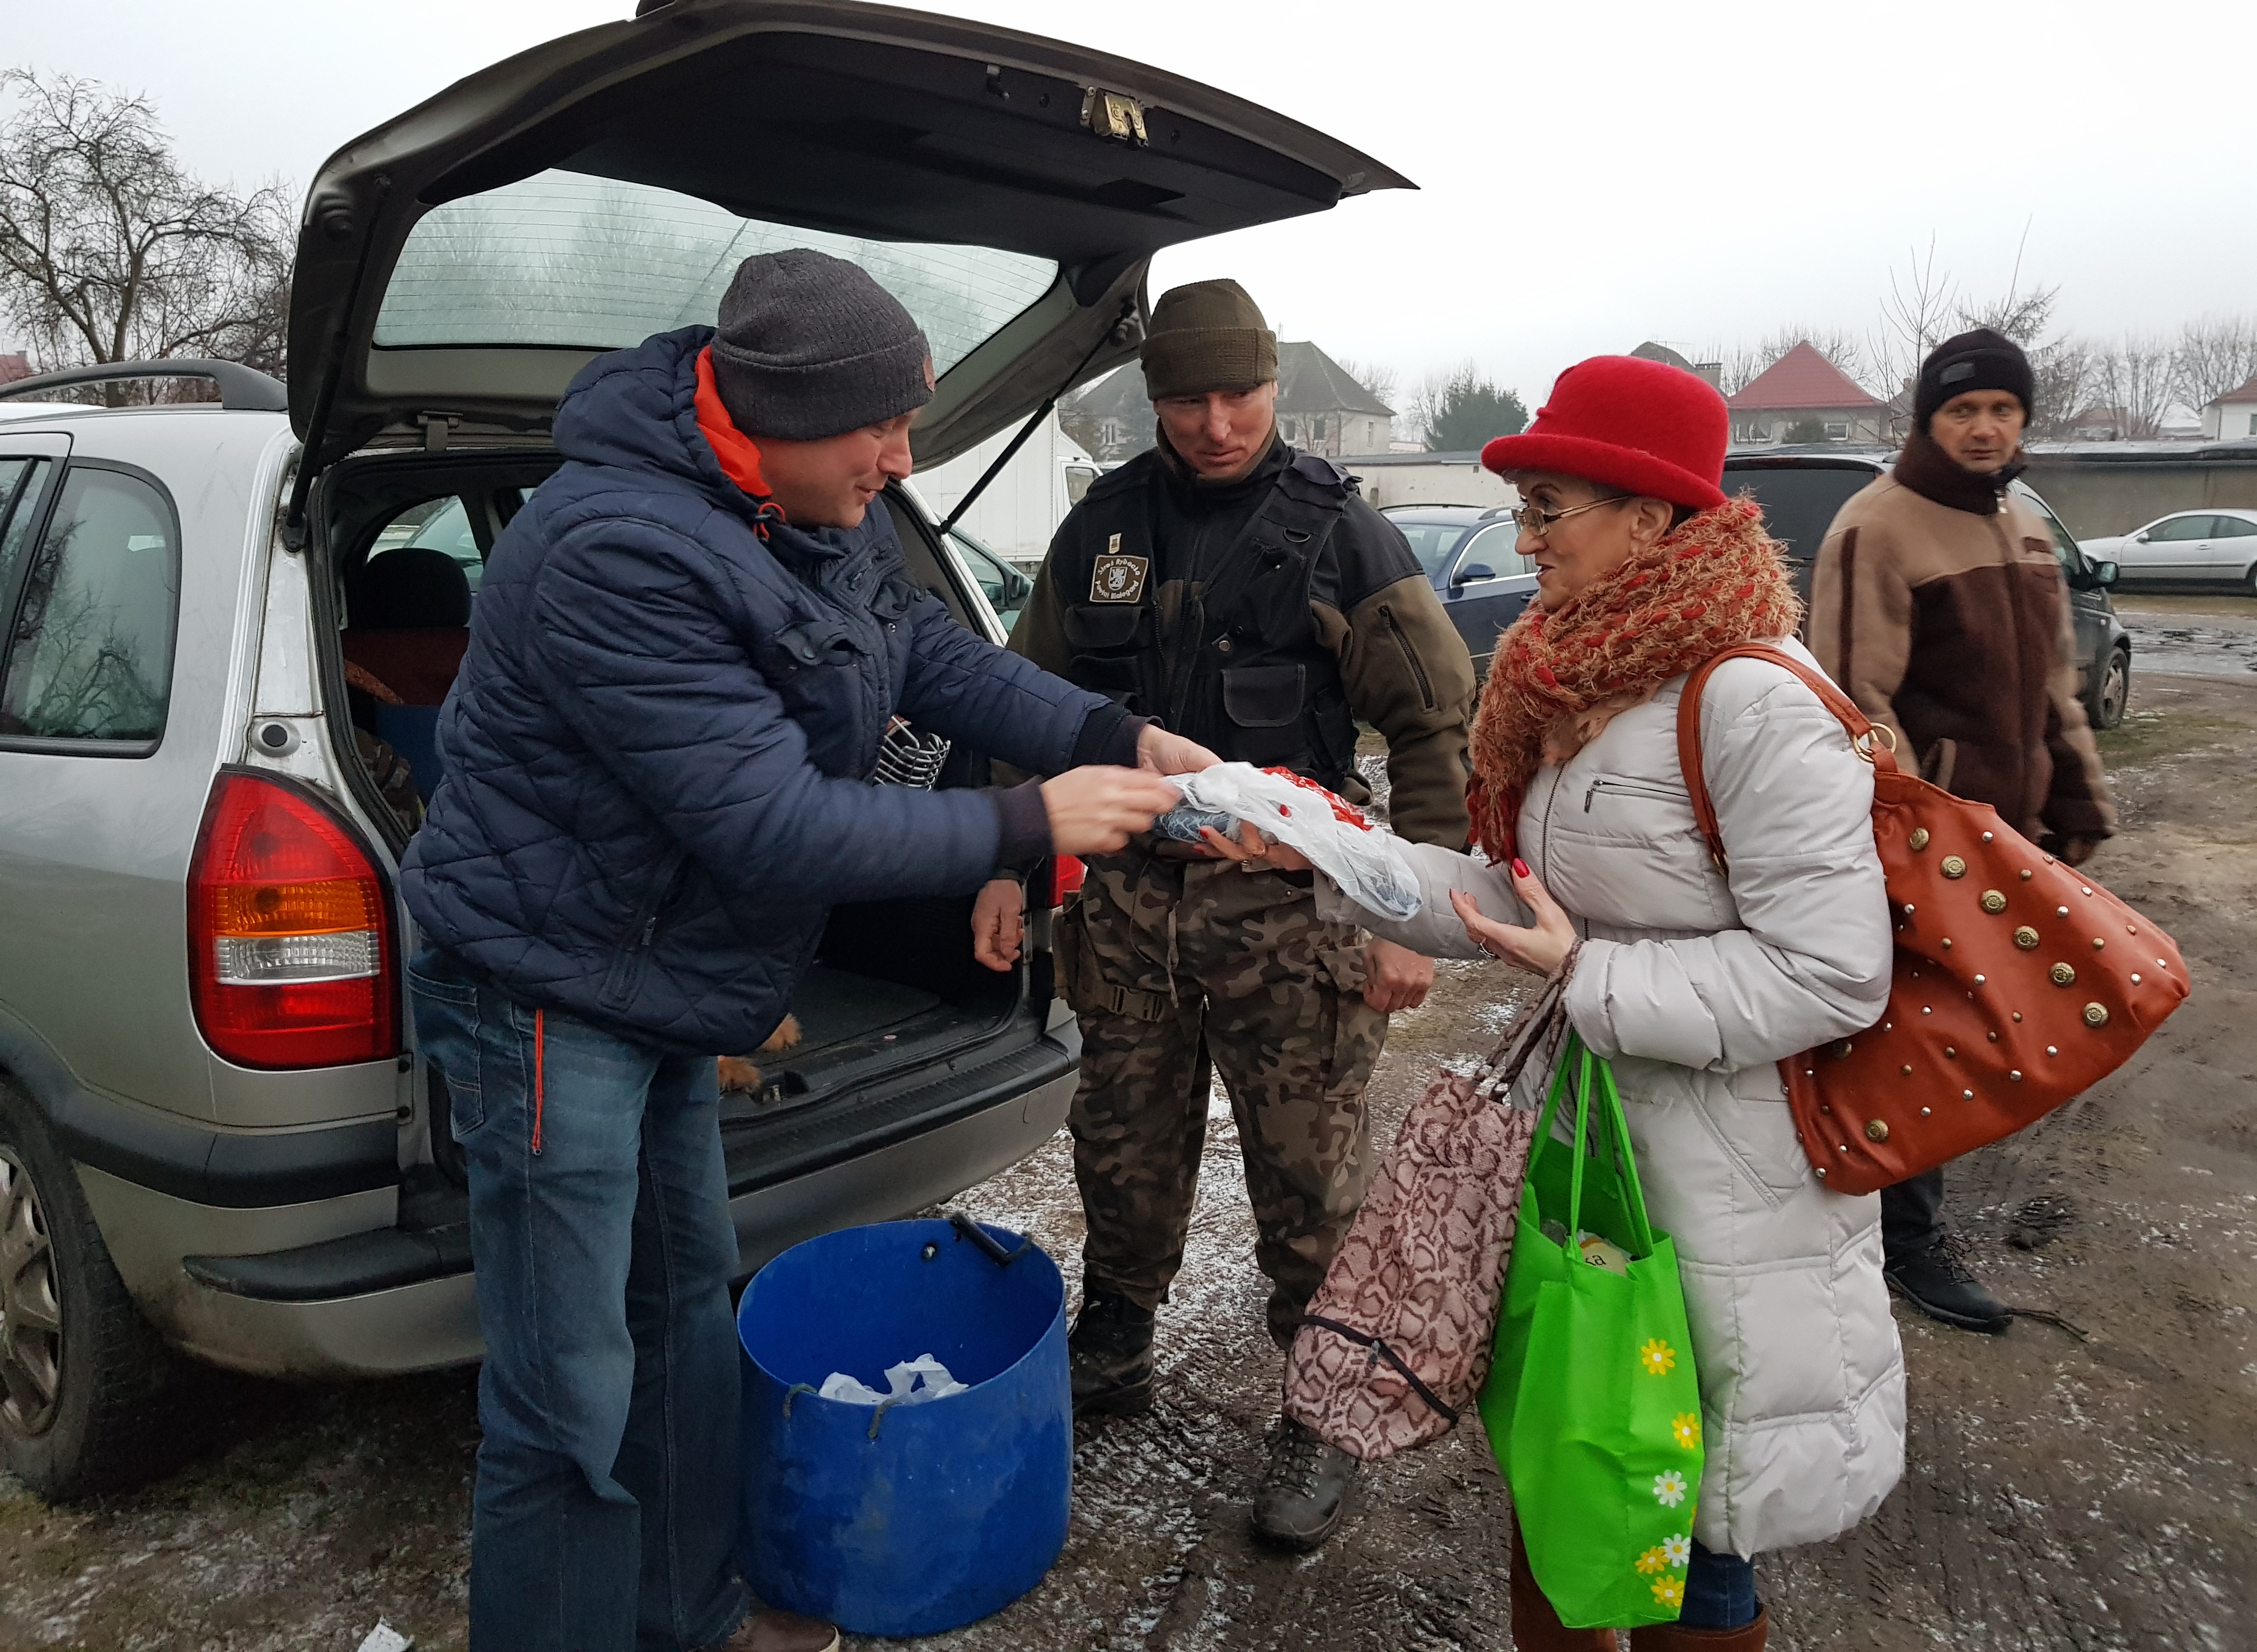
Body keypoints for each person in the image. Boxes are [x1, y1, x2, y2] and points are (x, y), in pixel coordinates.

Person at [400, 249, 1212, 1652]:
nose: (903, 460)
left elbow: (932, 661)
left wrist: (1111, 734)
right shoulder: (617, 549)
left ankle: (691, 1616)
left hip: (653, 981)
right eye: (880, 426)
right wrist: (1029, 816)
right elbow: (769, 825)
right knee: (568, 1398)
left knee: (680, 1323)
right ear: (772, 408)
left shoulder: (797, 507)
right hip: (544, 994)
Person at [1220, 355, 1904, 1649]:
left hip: (1728, 1192)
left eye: (1550, 511)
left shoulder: (1751, 698)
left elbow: (1833, 972)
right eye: (1522, 509)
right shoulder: (1574, 678)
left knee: (1683, 1519)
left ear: (1652, 521)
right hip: (1590, 1144)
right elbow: (1505, 893)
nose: (1523, 540)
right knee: (1566, 1480)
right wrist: (1324, 845)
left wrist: (1588, 975)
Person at [977, 279, 1477, 1551]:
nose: (1215, 421)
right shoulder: (1101, 528)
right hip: (1132, 913)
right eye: (1187, 398)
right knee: (1122, 1148)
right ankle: (1118, 1337)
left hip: (1295, 921)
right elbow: (1019, 706)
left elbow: (1432, 731)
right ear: (1153, 402)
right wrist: (1003, 862)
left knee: (1310, 1181)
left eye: (1239, 393)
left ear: (1275, 387)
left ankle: (1320, 1409)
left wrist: (1409, 920)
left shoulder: (1339, 538)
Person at [1811, 327, 2116, 1334]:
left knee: (1990, 1019)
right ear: (1927, 422)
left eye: (2001, 410)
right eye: (1962, 411)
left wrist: (2075, 789)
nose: (1984, 429)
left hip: (2008, 831)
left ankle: (1905, 1208)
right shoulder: (1879, 528)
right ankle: (1900, 1236)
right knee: (1919, 1032)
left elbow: (2054, 692)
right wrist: (1921, 827)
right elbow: (1855, 706)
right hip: (1928, 842)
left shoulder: (2022, 527)